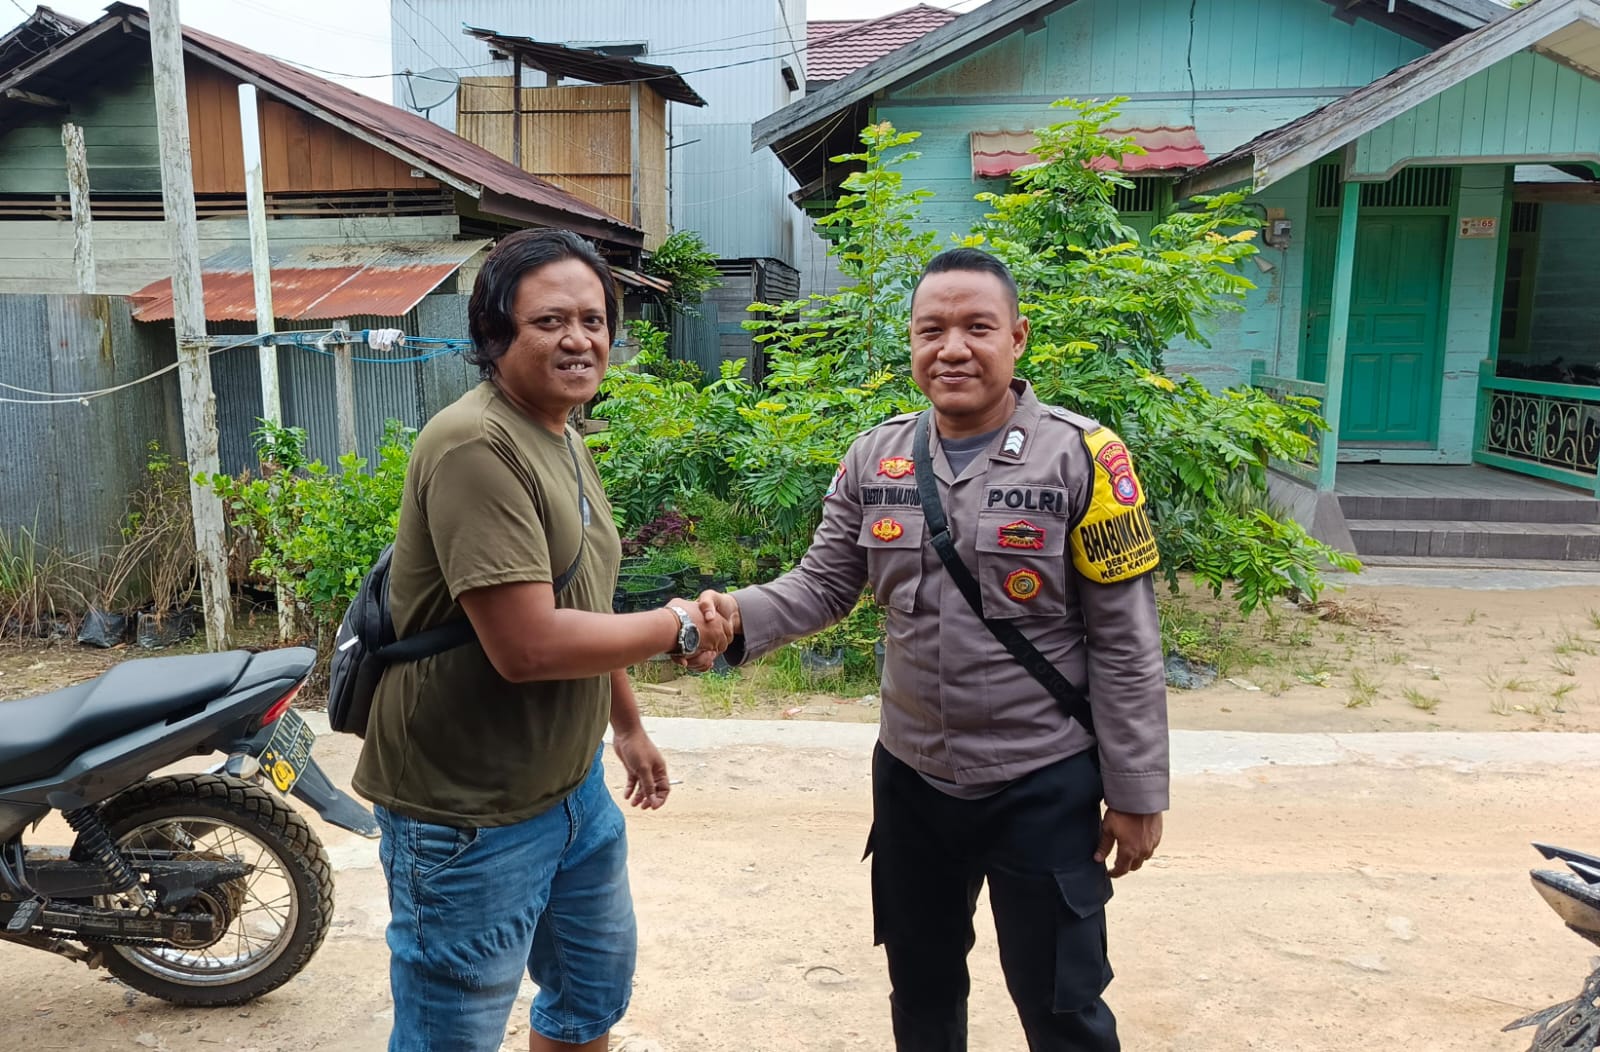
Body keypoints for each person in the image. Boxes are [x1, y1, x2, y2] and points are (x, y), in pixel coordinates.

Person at [694, 247, 1169, 1051]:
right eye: (931, 330)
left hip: (1042, 778)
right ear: (911, 342)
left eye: (977, 328)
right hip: (913, 778)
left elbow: (1126, 644)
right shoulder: (874, 457)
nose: (953, 349)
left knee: (1062, 1003)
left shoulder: (1083, 456)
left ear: (1017, 338)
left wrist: (1138, 790)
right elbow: (823, 585)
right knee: (921, 991)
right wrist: (734, 615)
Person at [352, 228, 730, 1052]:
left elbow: (580, 599)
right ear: (495, 336)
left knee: (588, 1000)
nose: (579, 339)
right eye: (550, 321)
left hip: (570, 789)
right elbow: (527, 646)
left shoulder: (558, 431)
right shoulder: (475, 445)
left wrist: (626, 725)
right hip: (468, 812)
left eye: (594, 321)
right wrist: (676, 625)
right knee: (450, 1037)